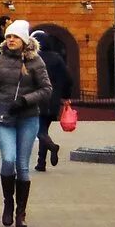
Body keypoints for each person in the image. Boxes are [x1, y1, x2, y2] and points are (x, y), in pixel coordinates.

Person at [0, 20, 52, 227]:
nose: (10, 40)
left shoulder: (36, 61)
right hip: (4, 118)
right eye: (8, 37)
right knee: (8, 159)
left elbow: (46, 90)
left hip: (28, 118)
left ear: (24, 40)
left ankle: (21, 212)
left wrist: (25, 100)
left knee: (23, 166)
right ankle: (8, 203)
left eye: (15, 37)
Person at [31, 30, 76, 172]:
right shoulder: (56, 58)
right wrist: (66, 96)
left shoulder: (33, 57)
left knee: (38, 131)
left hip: (37, 98)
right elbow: (68, 79)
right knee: (44, 129)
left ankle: (52, 147)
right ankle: (41, 163)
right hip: (54, 100)